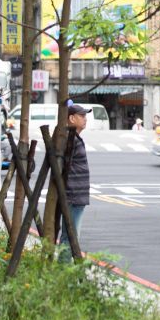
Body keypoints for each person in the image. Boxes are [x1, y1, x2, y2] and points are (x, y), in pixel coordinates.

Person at [58, 103, 90, 262]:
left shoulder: (75, 138)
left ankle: (63, 269)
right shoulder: (69, 139)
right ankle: (62, 271)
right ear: (71, 118)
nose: (85, 119)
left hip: (77, 194)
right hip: (73, 194)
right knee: (69, 235)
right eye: (82, 116)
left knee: (71, 234)